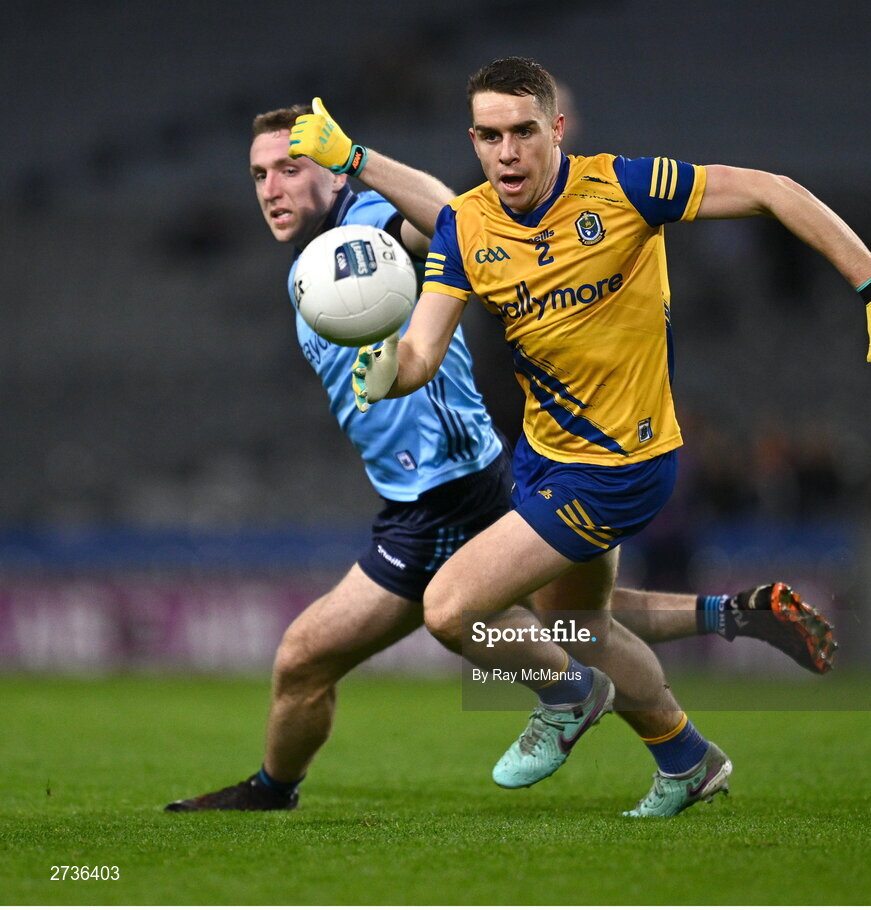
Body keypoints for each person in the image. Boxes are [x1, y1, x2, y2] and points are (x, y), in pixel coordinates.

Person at [164, 98, 837, 815]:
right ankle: (716, 655)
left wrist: (356, 156)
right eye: (259, 174)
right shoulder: (313, 261)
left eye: (289, 169)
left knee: (342, 647)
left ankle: (569, 700)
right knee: (575, 622)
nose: (270, 187)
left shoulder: (363, 228)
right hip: (423, 497)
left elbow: (451, 217)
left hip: (453, 491)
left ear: (328, 176)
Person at [337, 56, 871, 818]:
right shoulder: (465, 225)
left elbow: (771, 190)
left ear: (555, 130)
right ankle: (689, 754)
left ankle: (566, 699)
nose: (508, 152)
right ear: (474, 139)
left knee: (450, 608)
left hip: (621, 465)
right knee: (581, 623)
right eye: (491, 136)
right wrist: (388, 367)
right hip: (543, 455)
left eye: (524, 132)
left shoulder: (625, 187)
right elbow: (423, 351)